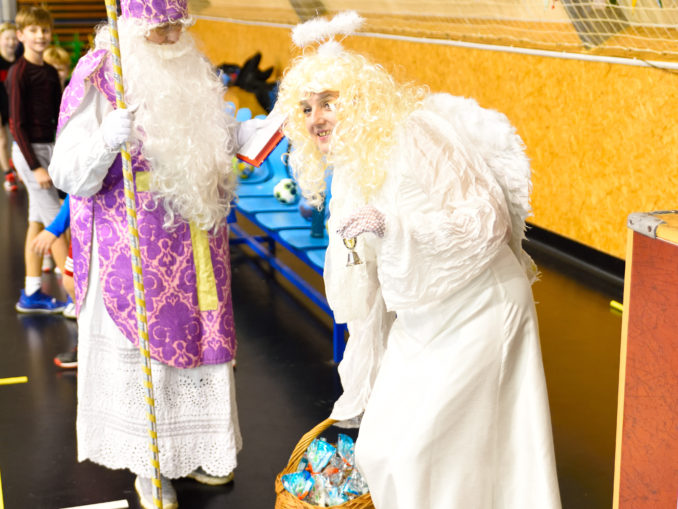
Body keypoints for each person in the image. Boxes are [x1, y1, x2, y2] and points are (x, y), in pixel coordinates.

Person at [275, 11, 562, 509]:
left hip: (480, 305)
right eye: (305, 108)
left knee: (431, 457)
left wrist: (396, 228)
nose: (315, 118)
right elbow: (364, 283)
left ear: (360, 100)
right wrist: (364, 373)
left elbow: (486, 218)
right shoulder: (349, 171)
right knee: (380, 450)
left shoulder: (415, 133)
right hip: (421, 317)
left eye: (327, 102)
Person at [48, 1, 246, 507]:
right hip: (133, 251)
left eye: (179, 24)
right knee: (147, 361)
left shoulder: (192, 66)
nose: (173, 36)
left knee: (197, 354)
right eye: (162, 27)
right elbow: (67, 174)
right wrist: (104, 140)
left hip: (196, 246)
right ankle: (150, 466)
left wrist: (238, 140)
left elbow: (209, 143)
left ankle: (195, 451)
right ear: (134, 25)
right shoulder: (102, 74)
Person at [7, 6, 68, 313]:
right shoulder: (18, 73)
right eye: (33, 30)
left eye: (44, 30)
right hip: (29, 153)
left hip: (49, 149)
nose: (40, 35)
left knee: (37, 220)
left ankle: (32, 292)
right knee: (56, 224)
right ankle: (75, 300)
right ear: (21, 35)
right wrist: (35, 167)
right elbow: (16, 125)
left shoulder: (49, 72)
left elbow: (59, 117)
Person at [1, 22, 18, 191]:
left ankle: (16, 164)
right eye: (7, 38)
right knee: (2, 140)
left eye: (14, 38)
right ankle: (8, 175)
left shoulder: (20, 59)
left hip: (14, 103)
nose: (11, 42)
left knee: (17, 136)